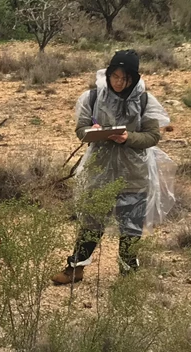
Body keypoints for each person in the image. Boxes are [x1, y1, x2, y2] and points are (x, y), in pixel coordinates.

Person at [52, 49, 169, 285]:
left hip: (134, 174)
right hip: (99, 172)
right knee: (91, 223)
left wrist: (128, 139)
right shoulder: (93, 97)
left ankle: (128, 274)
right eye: (115, 76)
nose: (118, 82)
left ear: (133, 79)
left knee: (131, 227)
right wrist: (93, 133)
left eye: (125, 78)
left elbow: (152, 137)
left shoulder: (145, 101)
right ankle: (75, 268)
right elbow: (80, 130)